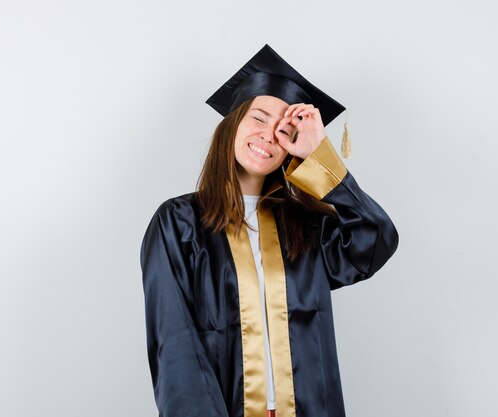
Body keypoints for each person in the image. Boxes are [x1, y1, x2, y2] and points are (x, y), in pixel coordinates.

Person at [139, 44, 399, 417]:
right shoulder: (179, 223)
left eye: (284, 129)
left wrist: (320, 156)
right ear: (232, 122)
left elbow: (376, 238)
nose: (268, 135)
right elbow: (175, 341)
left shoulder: (305, 227)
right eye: (258, 118)